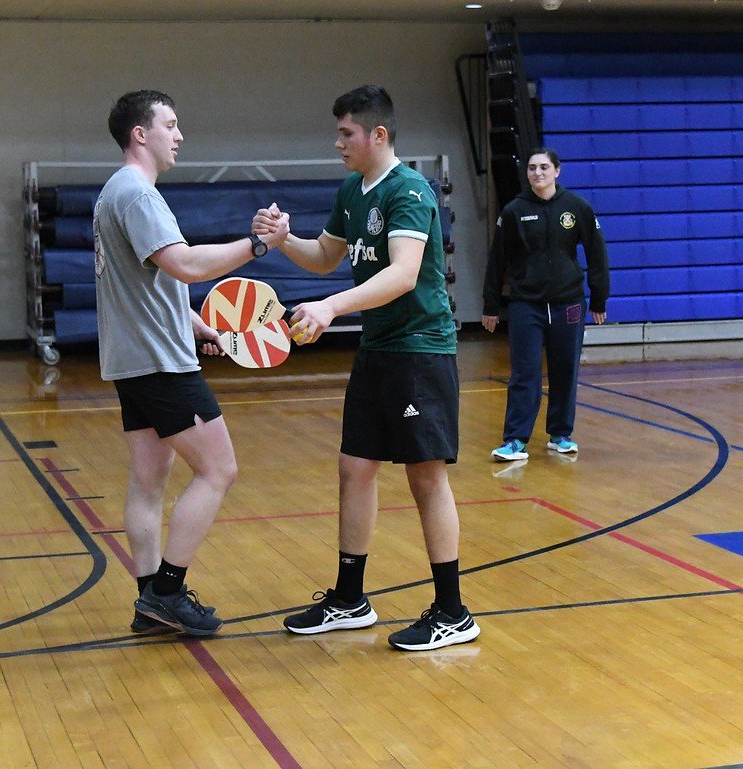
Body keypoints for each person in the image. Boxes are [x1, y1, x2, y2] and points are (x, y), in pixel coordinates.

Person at [253, 84, 479, 652]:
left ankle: (453, 611)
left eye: (346, 133)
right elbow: (328, 257)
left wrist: (330, 306)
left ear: (378, 134)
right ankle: (350, 599)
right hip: (379, 349)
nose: (338, 144)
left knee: (425, 475)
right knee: (355, 467)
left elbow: (403, 274)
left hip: (422, 350)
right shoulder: (353, 190)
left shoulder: (411, 191)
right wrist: (285, 242)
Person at [93, 90, 288, 636]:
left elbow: (146, 285)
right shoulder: (136, 193)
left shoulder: (120, 192)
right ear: (141, 134)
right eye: (171, 125)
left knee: (149, 479)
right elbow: (183, 265)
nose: (179, 135)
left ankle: (148, 598)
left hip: (134, 359)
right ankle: (168, 592)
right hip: (160, 364)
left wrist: (199, 326)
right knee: (219, 469)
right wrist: (255, 244)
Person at [482, 147, 609, 462]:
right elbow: (497, 260)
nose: (537, 173)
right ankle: (515, 440)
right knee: (524, 373)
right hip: (527, 305)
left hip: (570, 304)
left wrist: (599, 296)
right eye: (531, 168)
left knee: (565, 369)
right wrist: (491, 304)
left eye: (543, 167)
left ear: (557, 171)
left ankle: (561, 435)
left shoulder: (577, 207)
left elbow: (596, 254)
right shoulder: (513, 211)